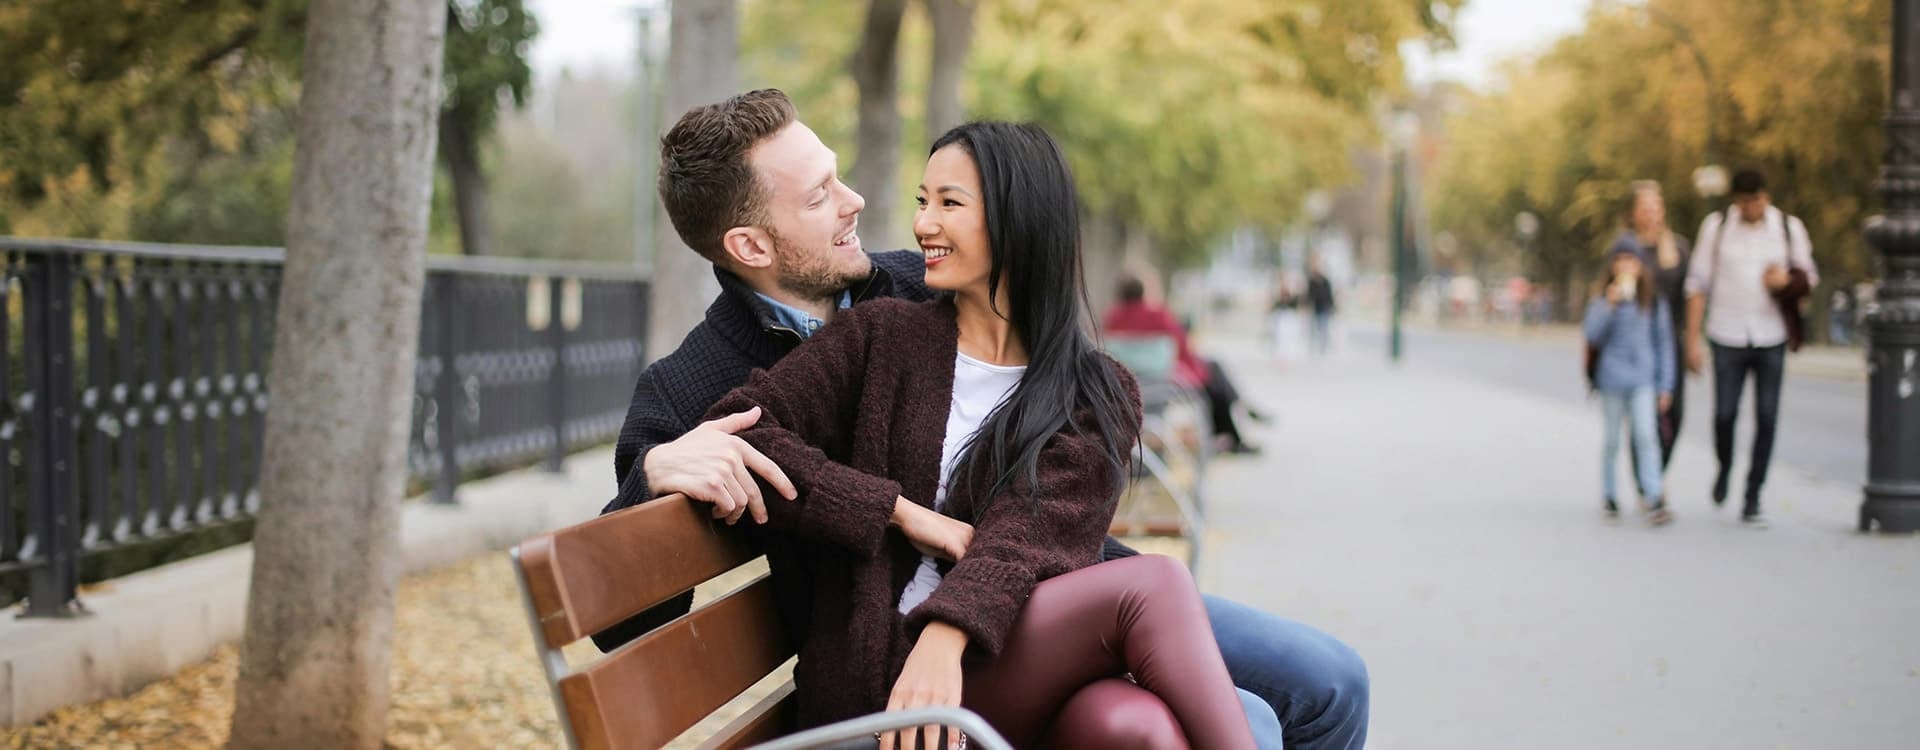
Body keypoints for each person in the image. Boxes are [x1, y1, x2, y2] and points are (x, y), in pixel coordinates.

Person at [606, 90, 1368, 749]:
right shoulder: (690, 390)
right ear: (750, 244)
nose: (858, 203)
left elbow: (1064, 416)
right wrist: (654, 473)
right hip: (898, 646)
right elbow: (620, 623)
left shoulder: (912, 281)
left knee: (1328, 683)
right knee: (1236, 720)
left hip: (1064, 576)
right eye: (819, 196)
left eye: (839, 176)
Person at [1684, 168, 1819, 527]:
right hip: (1726, 332)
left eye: (1756, 200)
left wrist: (1785, 280)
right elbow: (1697, 283)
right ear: (1735, 201)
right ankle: (1725, 466)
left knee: (1767, 416)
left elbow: (1809, 275)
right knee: (1724, 414)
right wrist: (1692, 340)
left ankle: (1753, 494)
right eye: (1744, 201)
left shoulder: (1788, 228)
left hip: (1770, 333)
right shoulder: (1716, 228)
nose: (1751, 207)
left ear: (1766, 197)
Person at [1103, 271, 1261, 455]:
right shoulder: (1156, 314)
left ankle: (1238, 417)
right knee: (1214, 375)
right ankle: (1238, 417)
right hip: (1165, 380)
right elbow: (1181, 345)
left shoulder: (1112, 317)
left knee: (1215, 373)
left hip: (1131, 381)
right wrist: (1198, 372)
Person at [1607, 181, 1692, 493]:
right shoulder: (1625, 250)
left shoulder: (1678, 248)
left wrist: (1694, 340)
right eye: (1645, 209)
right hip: (1636, 343)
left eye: (1657, 208)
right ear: (1632, 214)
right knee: (1643, 419)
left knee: (1675, 412)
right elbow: (1605, 292)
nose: (1652, 215)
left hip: (1671, 341)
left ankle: (1654, 472)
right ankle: (1648, 484)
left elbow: (1692, 296)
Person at [1583, 245, 1676, 524]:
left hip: (1643, 379)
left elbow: (1664, 344)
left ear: (1640, 265)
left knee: (1646, 436)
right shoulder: (1602, 299)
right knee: (1612, 440)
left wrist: (1665, 385)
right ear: (1612, 265)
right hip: (1611, 378)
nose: (1625, 266)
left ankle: (1653, 495)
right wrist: (1610, 306)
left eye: (1631, 260)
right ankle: (1610, 494)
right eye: (1620, 260)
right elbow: (1592, 335)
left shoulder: (1653, 301)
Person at [1306, 258, 1336, 356]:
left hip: (1324, 308)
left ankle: (1323, 348)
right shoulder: (1312, 281)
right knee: (1314, 329)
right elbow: (1309, 296)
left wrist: (1332, 306)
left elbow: (1329, 295)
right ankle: (1314, 348)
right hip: (1315, 308)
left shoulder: (1326, 281)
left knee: (1324, 328)